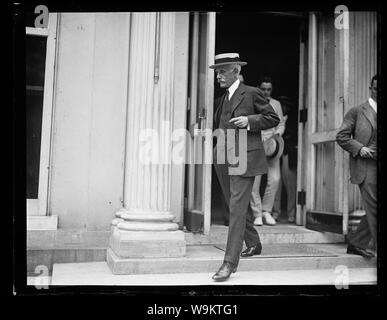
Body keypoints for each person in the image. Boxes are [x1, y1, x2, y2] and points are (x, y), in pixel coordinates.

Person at [210, 53, 279, 281]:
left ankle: (229, 263)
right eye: (217, 71)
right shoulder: (222, 99)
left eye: (223, 71)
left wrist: (250, 121)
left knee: (237, 209)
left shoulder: (251, 93)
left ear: (236, 71)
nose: (218, 75)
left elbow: (272, 118)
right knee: (234, 205)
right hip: (222, 156)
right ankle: (254, 242)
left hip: (243, 155)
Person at [336, 75, 377, 259]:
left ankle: (356, 243)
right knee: (374, 206)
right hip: (366, 166)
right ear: (370, 88)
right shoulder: (357, 111)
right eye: (376, 88)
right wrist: (360, 149)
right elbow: (342, 136)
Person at [249, 77, 285, 226]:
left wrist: (277, 135)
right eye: (263, 89)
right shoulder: (252, 101)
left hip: (272, 145)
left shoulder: (276, 104)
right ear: (259, 88)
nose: (266, 92)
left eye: (268, 89)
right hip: (256, 144)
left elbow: (281, 123)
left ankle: (266, 211)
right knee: (254, 182)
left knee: (275, 179)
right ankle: (257, 213)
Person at [272, 96, 298, 223]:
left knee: (290, 185)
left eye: (287, 105)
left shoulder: (295, 120)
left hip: (289, 153)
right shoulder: (275, 118)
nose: (284, 107)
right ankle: (275, 212)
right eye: (282, 105)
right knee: (275, 183)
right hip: (275, 153)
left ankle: (291, 213)